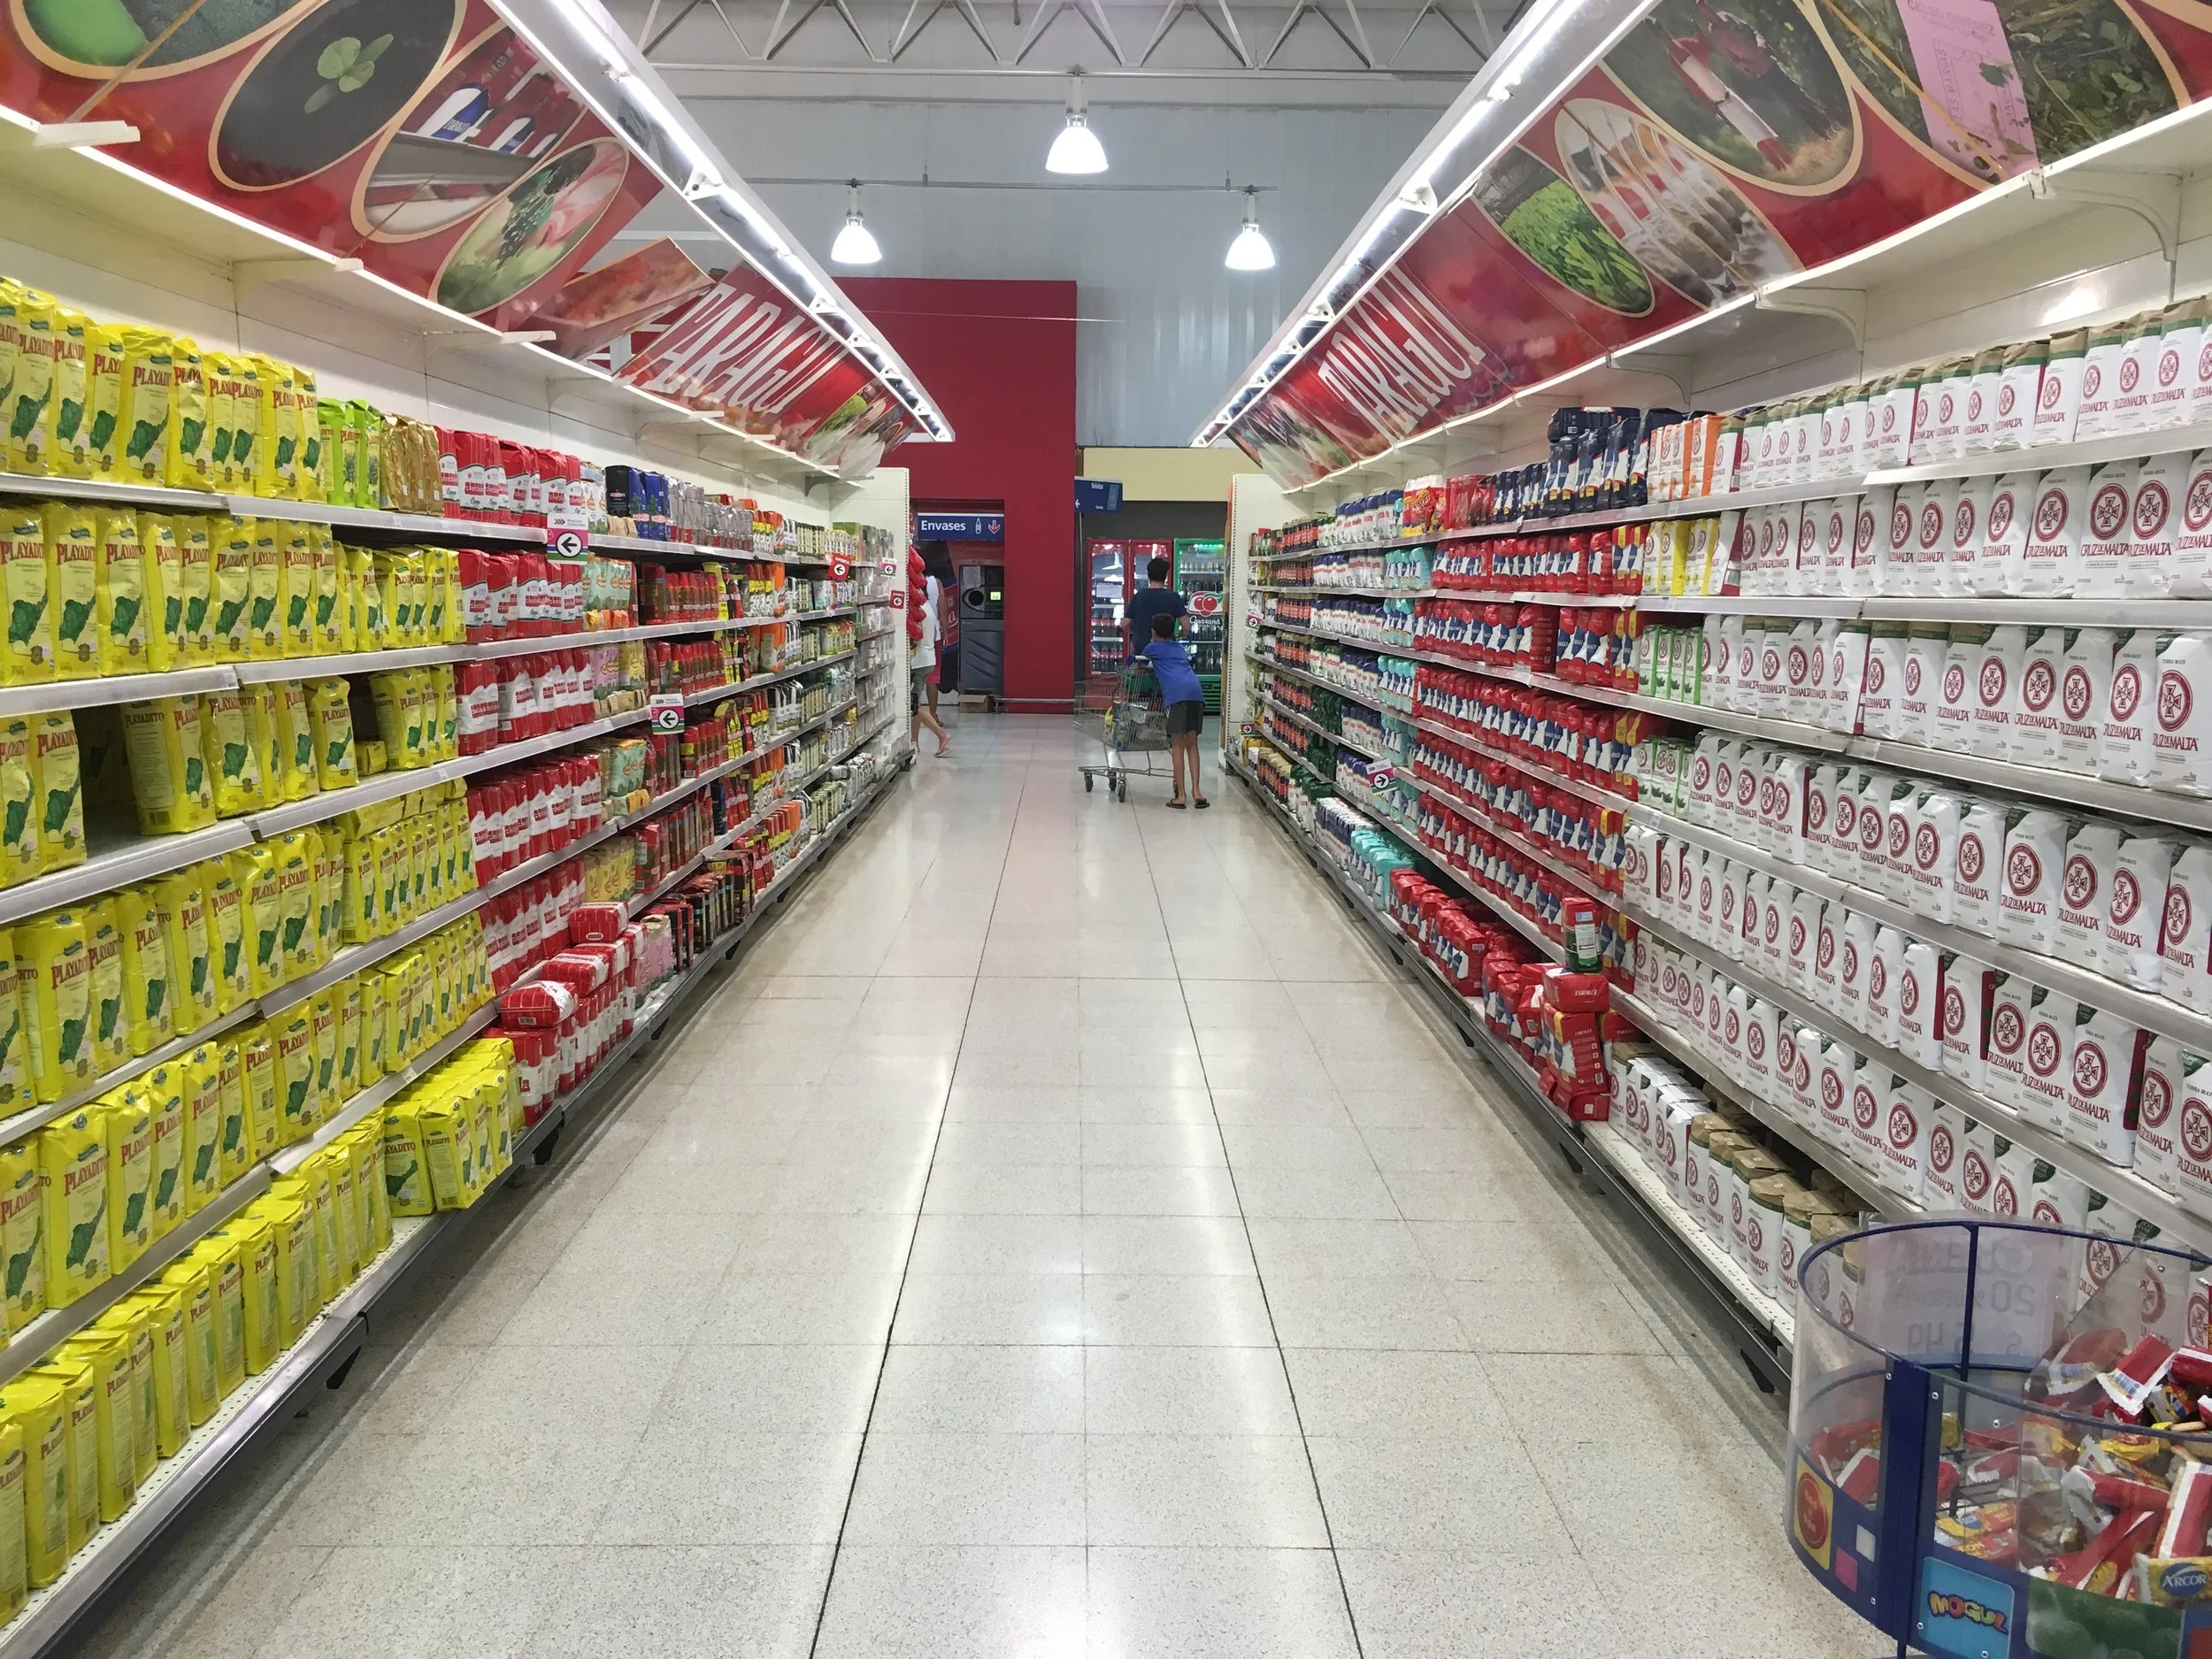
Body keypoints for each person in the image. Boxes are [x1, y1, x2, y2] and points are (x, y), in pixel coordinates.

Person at [1133, 611, 1208, 809]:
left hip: (1177, 695)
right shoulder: (1178, 649)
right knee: (1192, 744)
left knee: (1177, 745)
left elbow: (1139, 666)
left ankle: (1181, 796)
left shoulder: (1153, 647)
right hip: (1196, 693)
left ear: (1153, 631)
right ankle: (1197, 792)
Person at [910, 572, 949, 757]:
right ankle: (914, 744)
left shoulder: (920, 612)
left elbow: (914, 636)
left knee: (914, 706)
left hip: (919, 662)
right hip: (927, 658)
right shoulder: (927, 607)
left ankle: (942, 736)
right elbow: (943, 611)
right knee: (914, 703)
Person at [1124, 556, 1186, 658]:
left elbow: (1124, 624)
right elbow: (1186, 626)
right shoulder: (1173, 597)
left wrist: (1136, 632)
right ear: (1165, 577)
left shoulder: (1138, 596)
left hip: (1142, 652)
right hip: (1166, 654)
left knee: (1143, 673)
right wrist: (1179, 634)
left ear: (1148, 575)